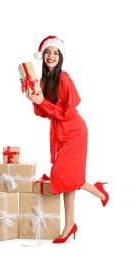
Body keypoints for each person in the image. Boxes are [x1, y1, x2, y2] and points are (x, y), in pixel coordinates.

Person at [26, 35, 109, 243]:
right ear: (42, 56)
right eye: (47, 52)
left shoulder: (65, 79)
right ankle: (71, 222)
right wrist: (35, 99)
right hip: (60, 133)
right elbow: (44, 113)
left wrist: (43, 101)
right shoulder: (45, 80)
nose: (51, 56)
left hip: (75, 132)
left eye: (55, 52)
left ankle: (98, 193)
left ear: (61, 56)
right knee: (68, 179)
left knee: (64, 175)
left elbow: (68, 112)